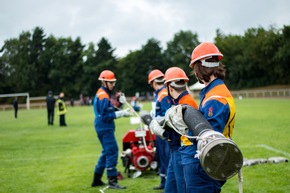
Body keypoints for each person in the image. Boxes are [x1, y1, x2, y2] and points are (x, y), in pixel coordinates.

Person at [181, 42, 236, 193]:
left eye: (194, 69)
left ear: (199, 67)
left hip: (202, 166)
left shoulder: (215, 98)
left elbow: (209, 141)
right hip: (203, 164)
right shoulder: (213, 92)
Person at [150, 67, 198, 193]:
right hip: (176, 151)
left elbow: (180, 133)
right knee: (170, 189)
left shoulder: (184, 103)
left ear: (169, 87)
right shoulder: (182, 101)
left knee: (181, 188)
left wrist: (162, 132)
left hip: (182, 151)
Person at [91, 70, 132, 189]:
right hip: (104, 127)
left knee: (106, 152)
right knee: (112, 151)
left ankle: (96, 179)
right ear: (104, 82)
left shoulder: (104, 93)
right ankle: (112, 181)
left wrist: (121, 105)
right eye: (111, 82)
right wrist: (122, 114)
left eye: (114, 82)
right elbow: (105, 116)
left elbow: (110, 110)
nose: (113, 85)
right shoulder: (103, 96)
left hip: (103, 126)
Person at [147, 69, 172, 191]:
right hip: (158, 131)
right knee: (161, 157)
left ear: (152, 82)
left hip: (163, 132)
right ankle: (163, 182)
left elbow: (167, 115)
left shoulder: (163, 94)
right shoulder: (158, 94)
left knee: (166, 158)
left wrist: (155, 122)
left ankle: (168, 183)